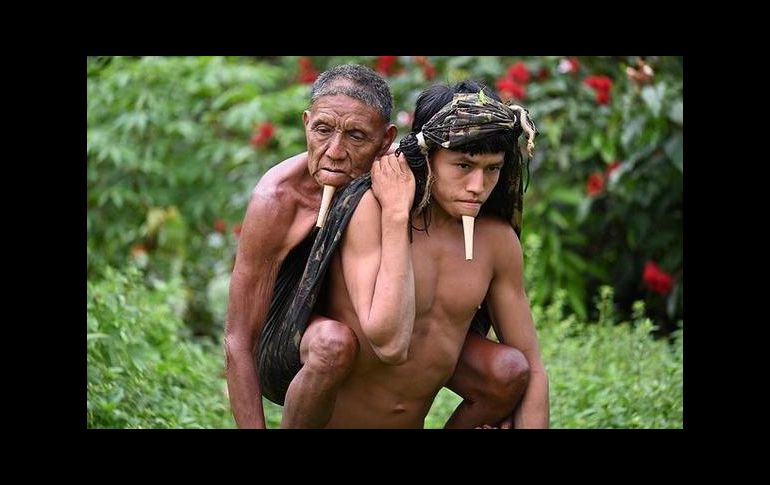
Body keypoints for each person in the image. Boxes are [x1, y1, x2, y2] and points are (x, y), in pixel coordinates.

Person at [225, 63, 529, 428]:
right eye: (323, 130)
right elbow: (239, 338)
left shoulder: (400, 184)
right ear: (306, 123)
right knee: (332, 344)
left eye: (356, 137)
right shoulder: (279, 198)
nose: (335, 151)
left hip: (387, 343)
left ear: (387, 141)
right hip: (304, 344)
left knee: (504, 369)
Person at [314, 80, 549, 427]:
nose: (477, 186)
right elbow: (388, 342)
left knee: (512, 368)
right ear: (427, 156)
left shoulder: (497, 243)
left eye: (492, 169)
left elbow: (533, 367)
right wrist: (396, 214)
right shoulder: (371, 211)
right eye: (464, 165)